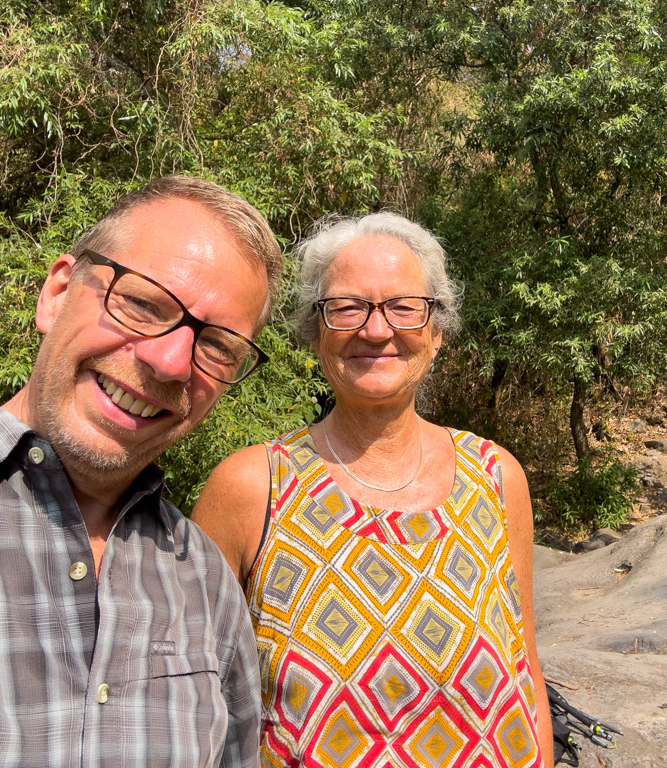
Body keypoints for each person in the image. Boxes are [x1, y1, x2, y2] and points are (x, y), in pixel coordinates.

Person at [0, 176, 282, 767]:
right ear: (57, 292)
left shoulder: (205, 582)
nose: (169, 361)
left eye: (217, 346)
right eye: (142, 303)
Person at [194, 212, 554, 767]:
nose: (376, 329)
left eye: (405, 306)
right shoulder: (251, 487)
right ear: (316, 333)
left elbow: (525, 673)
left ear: (436, 332)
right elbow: (192, 698)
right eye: (347, 307)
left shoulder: (497, 477)